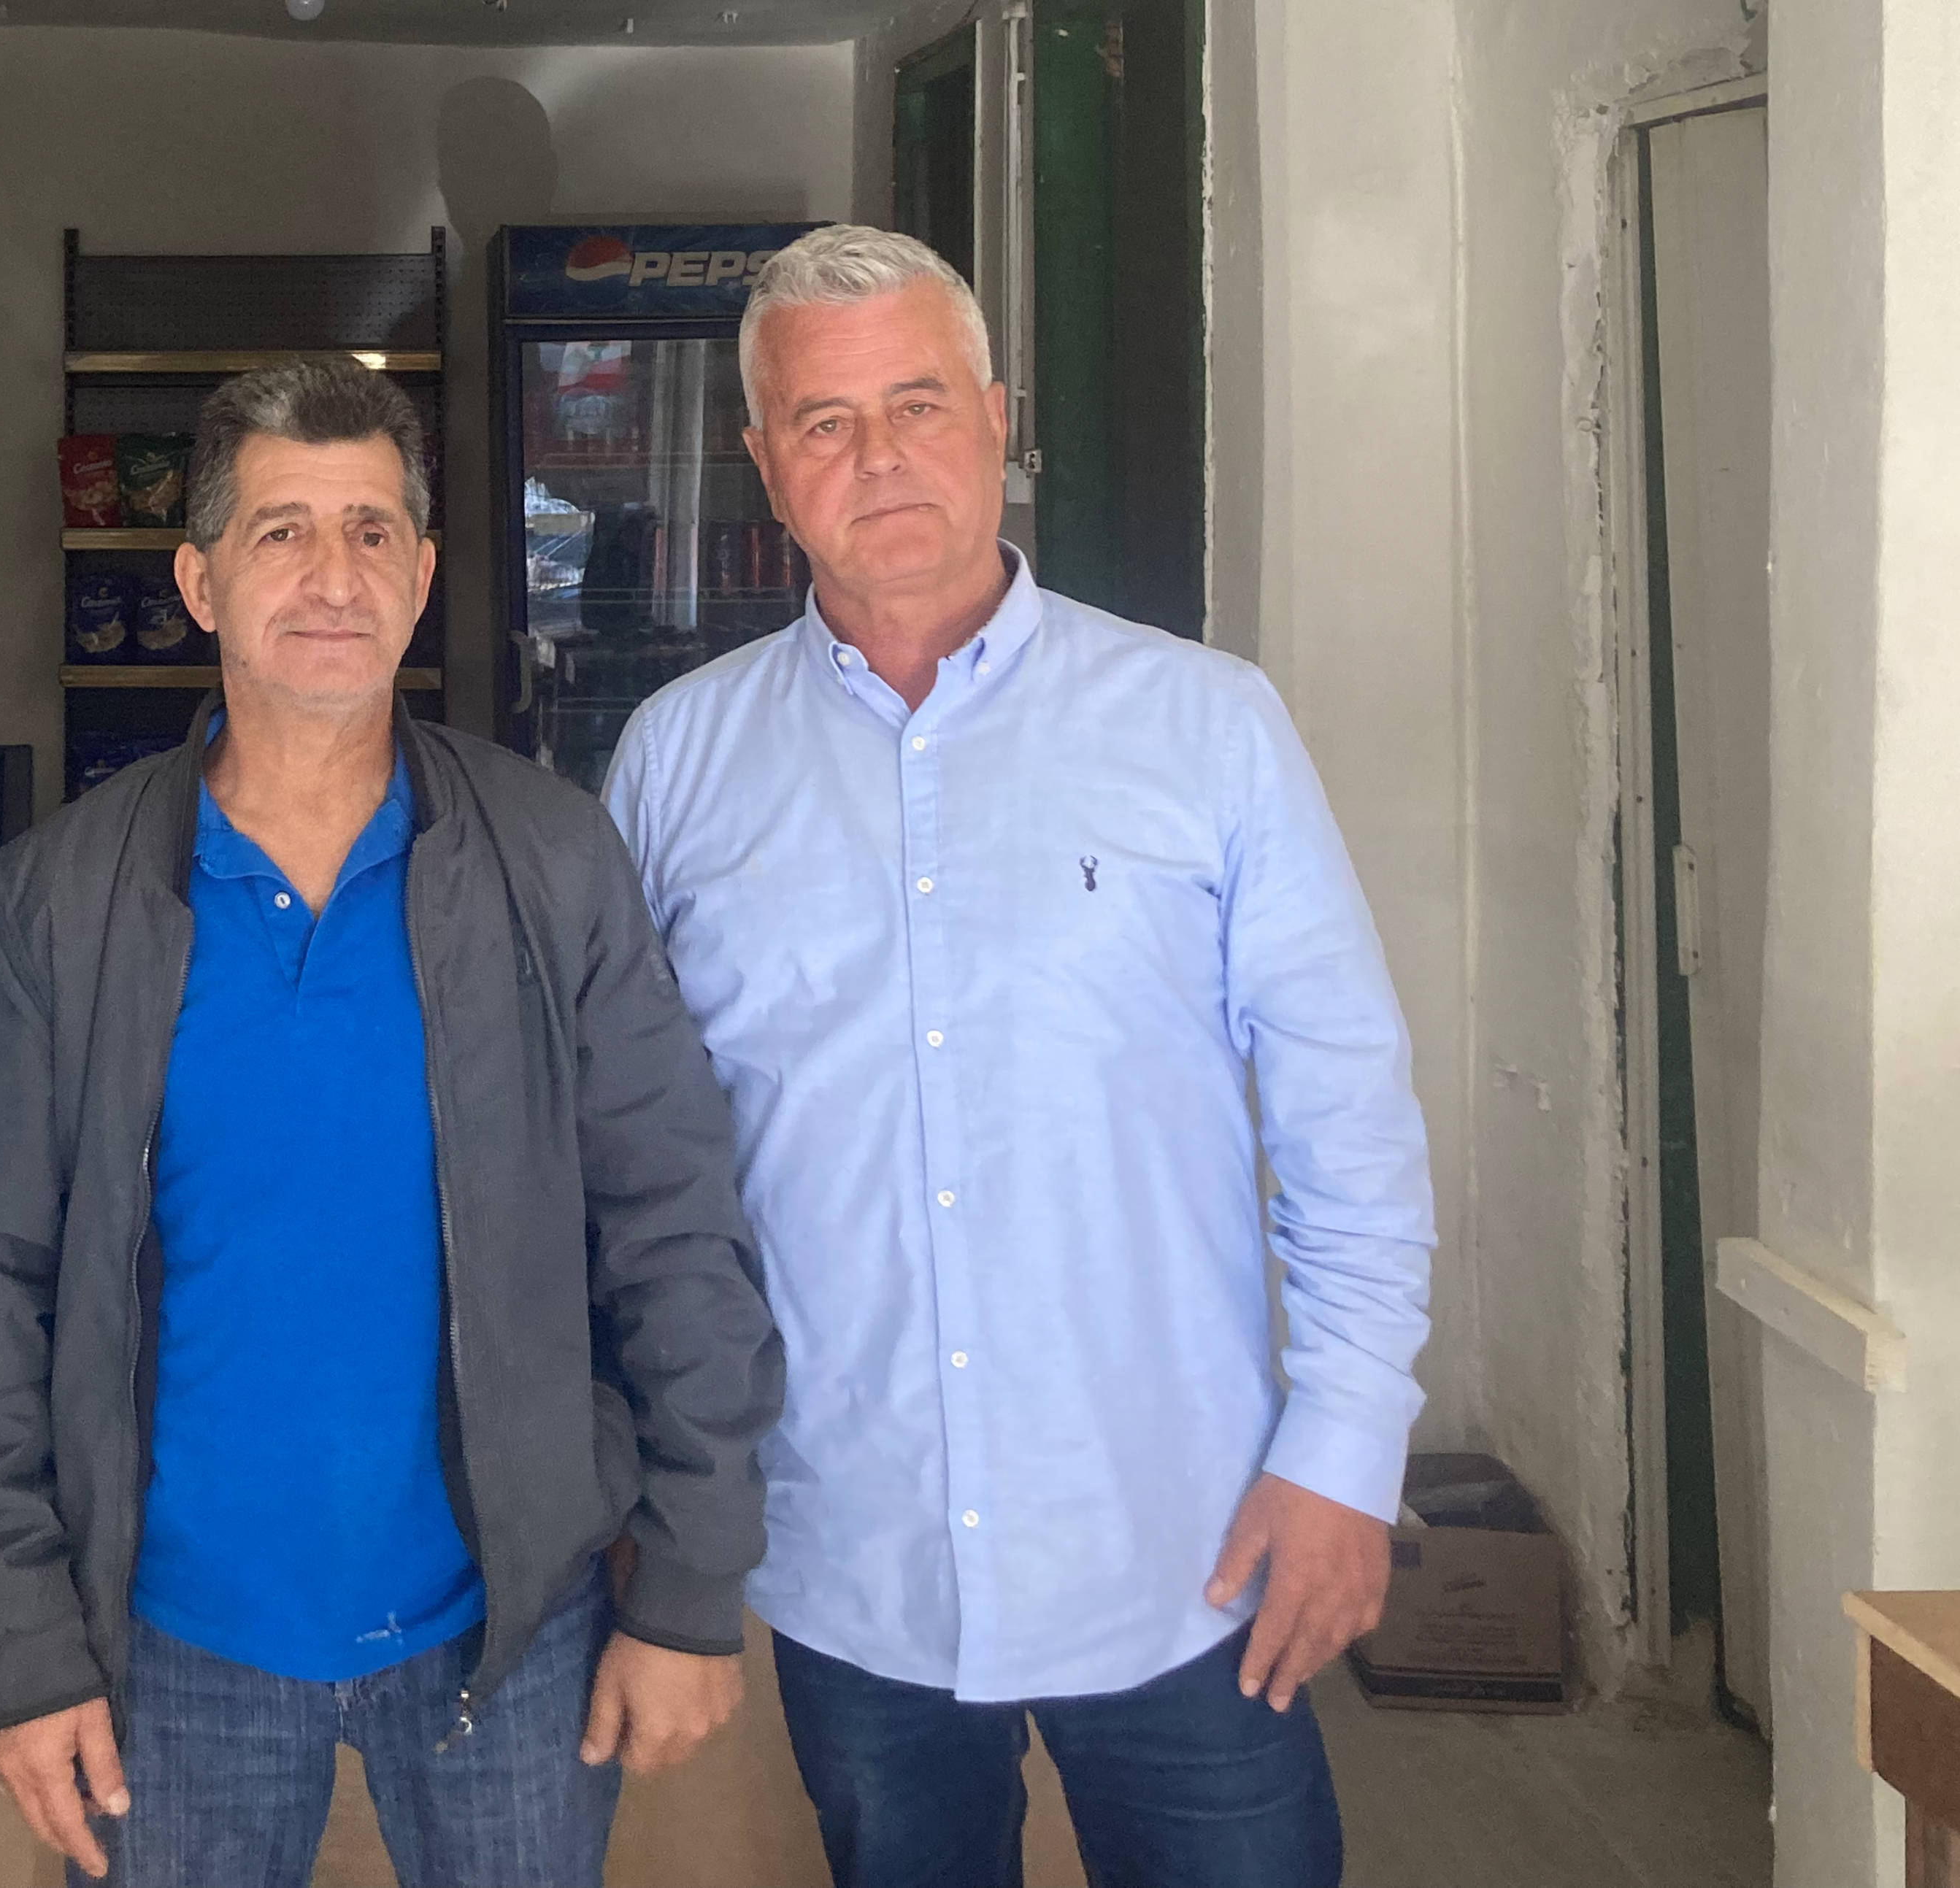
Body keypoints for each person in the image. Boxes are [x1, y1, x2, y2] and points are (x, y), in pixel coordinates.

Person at [603, 224, 1434, 1888]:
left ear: (996, 419)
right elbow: (628, 1166)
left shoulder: (1204, 728)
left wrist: (1344, 1451)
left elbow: (1342, 1107)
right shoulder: (675, 765)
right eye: (823, 424)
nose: (878, 457)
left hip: (1191, 1547)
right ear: (764, 467)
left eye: (914, 402)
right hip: (851, 1553)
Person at [0, 356, 783, 1888]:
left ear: (428, 572)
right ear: (194, 581)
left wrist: (692, 1581)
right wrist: (17, 1637)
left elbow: (672, 1215)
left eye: (373, 531)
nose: (333, 577)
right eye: (280, 532)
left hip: (507, 1627)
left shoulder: (547, 858)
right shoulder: (55, 902)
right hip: (163, 1648)